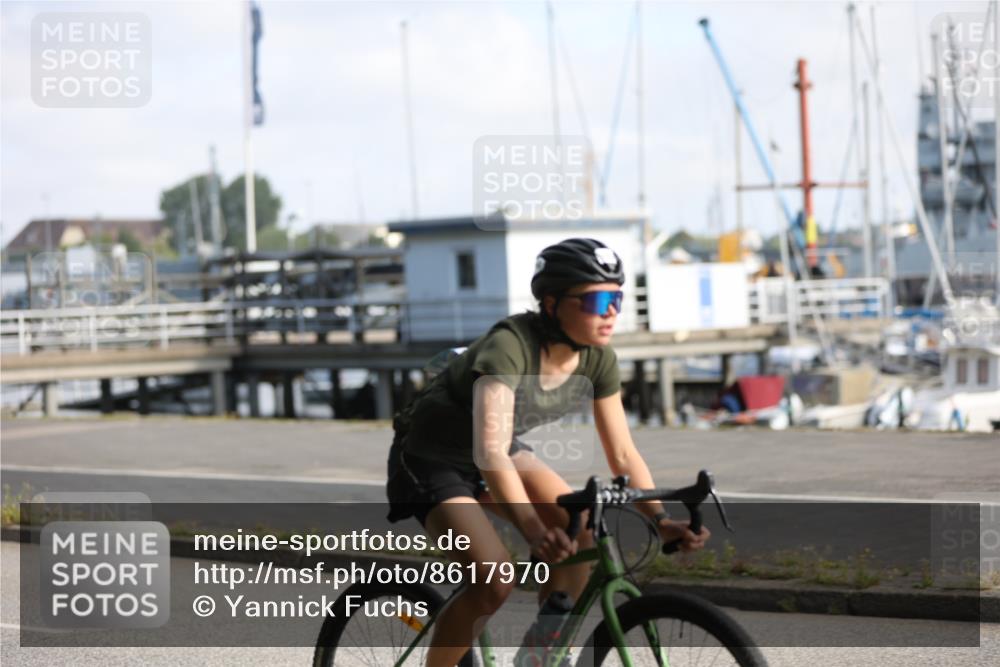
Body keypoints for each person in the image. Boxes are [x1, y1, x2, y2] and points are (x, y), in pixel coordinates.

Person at [386, 238, 710, 667]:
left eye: (617, 297)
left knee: (581, 534)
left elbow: (624, 454)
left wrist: (661, 520)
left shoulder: (597, 358)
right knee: (494, 579)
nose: (612, 311)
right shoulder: (509, 347)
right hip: (431, 456)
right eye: (597, 300)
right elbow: (491, 454)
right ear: (553, 303)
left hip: (497, 449)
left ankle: (537, 658)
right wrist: (534, 529)